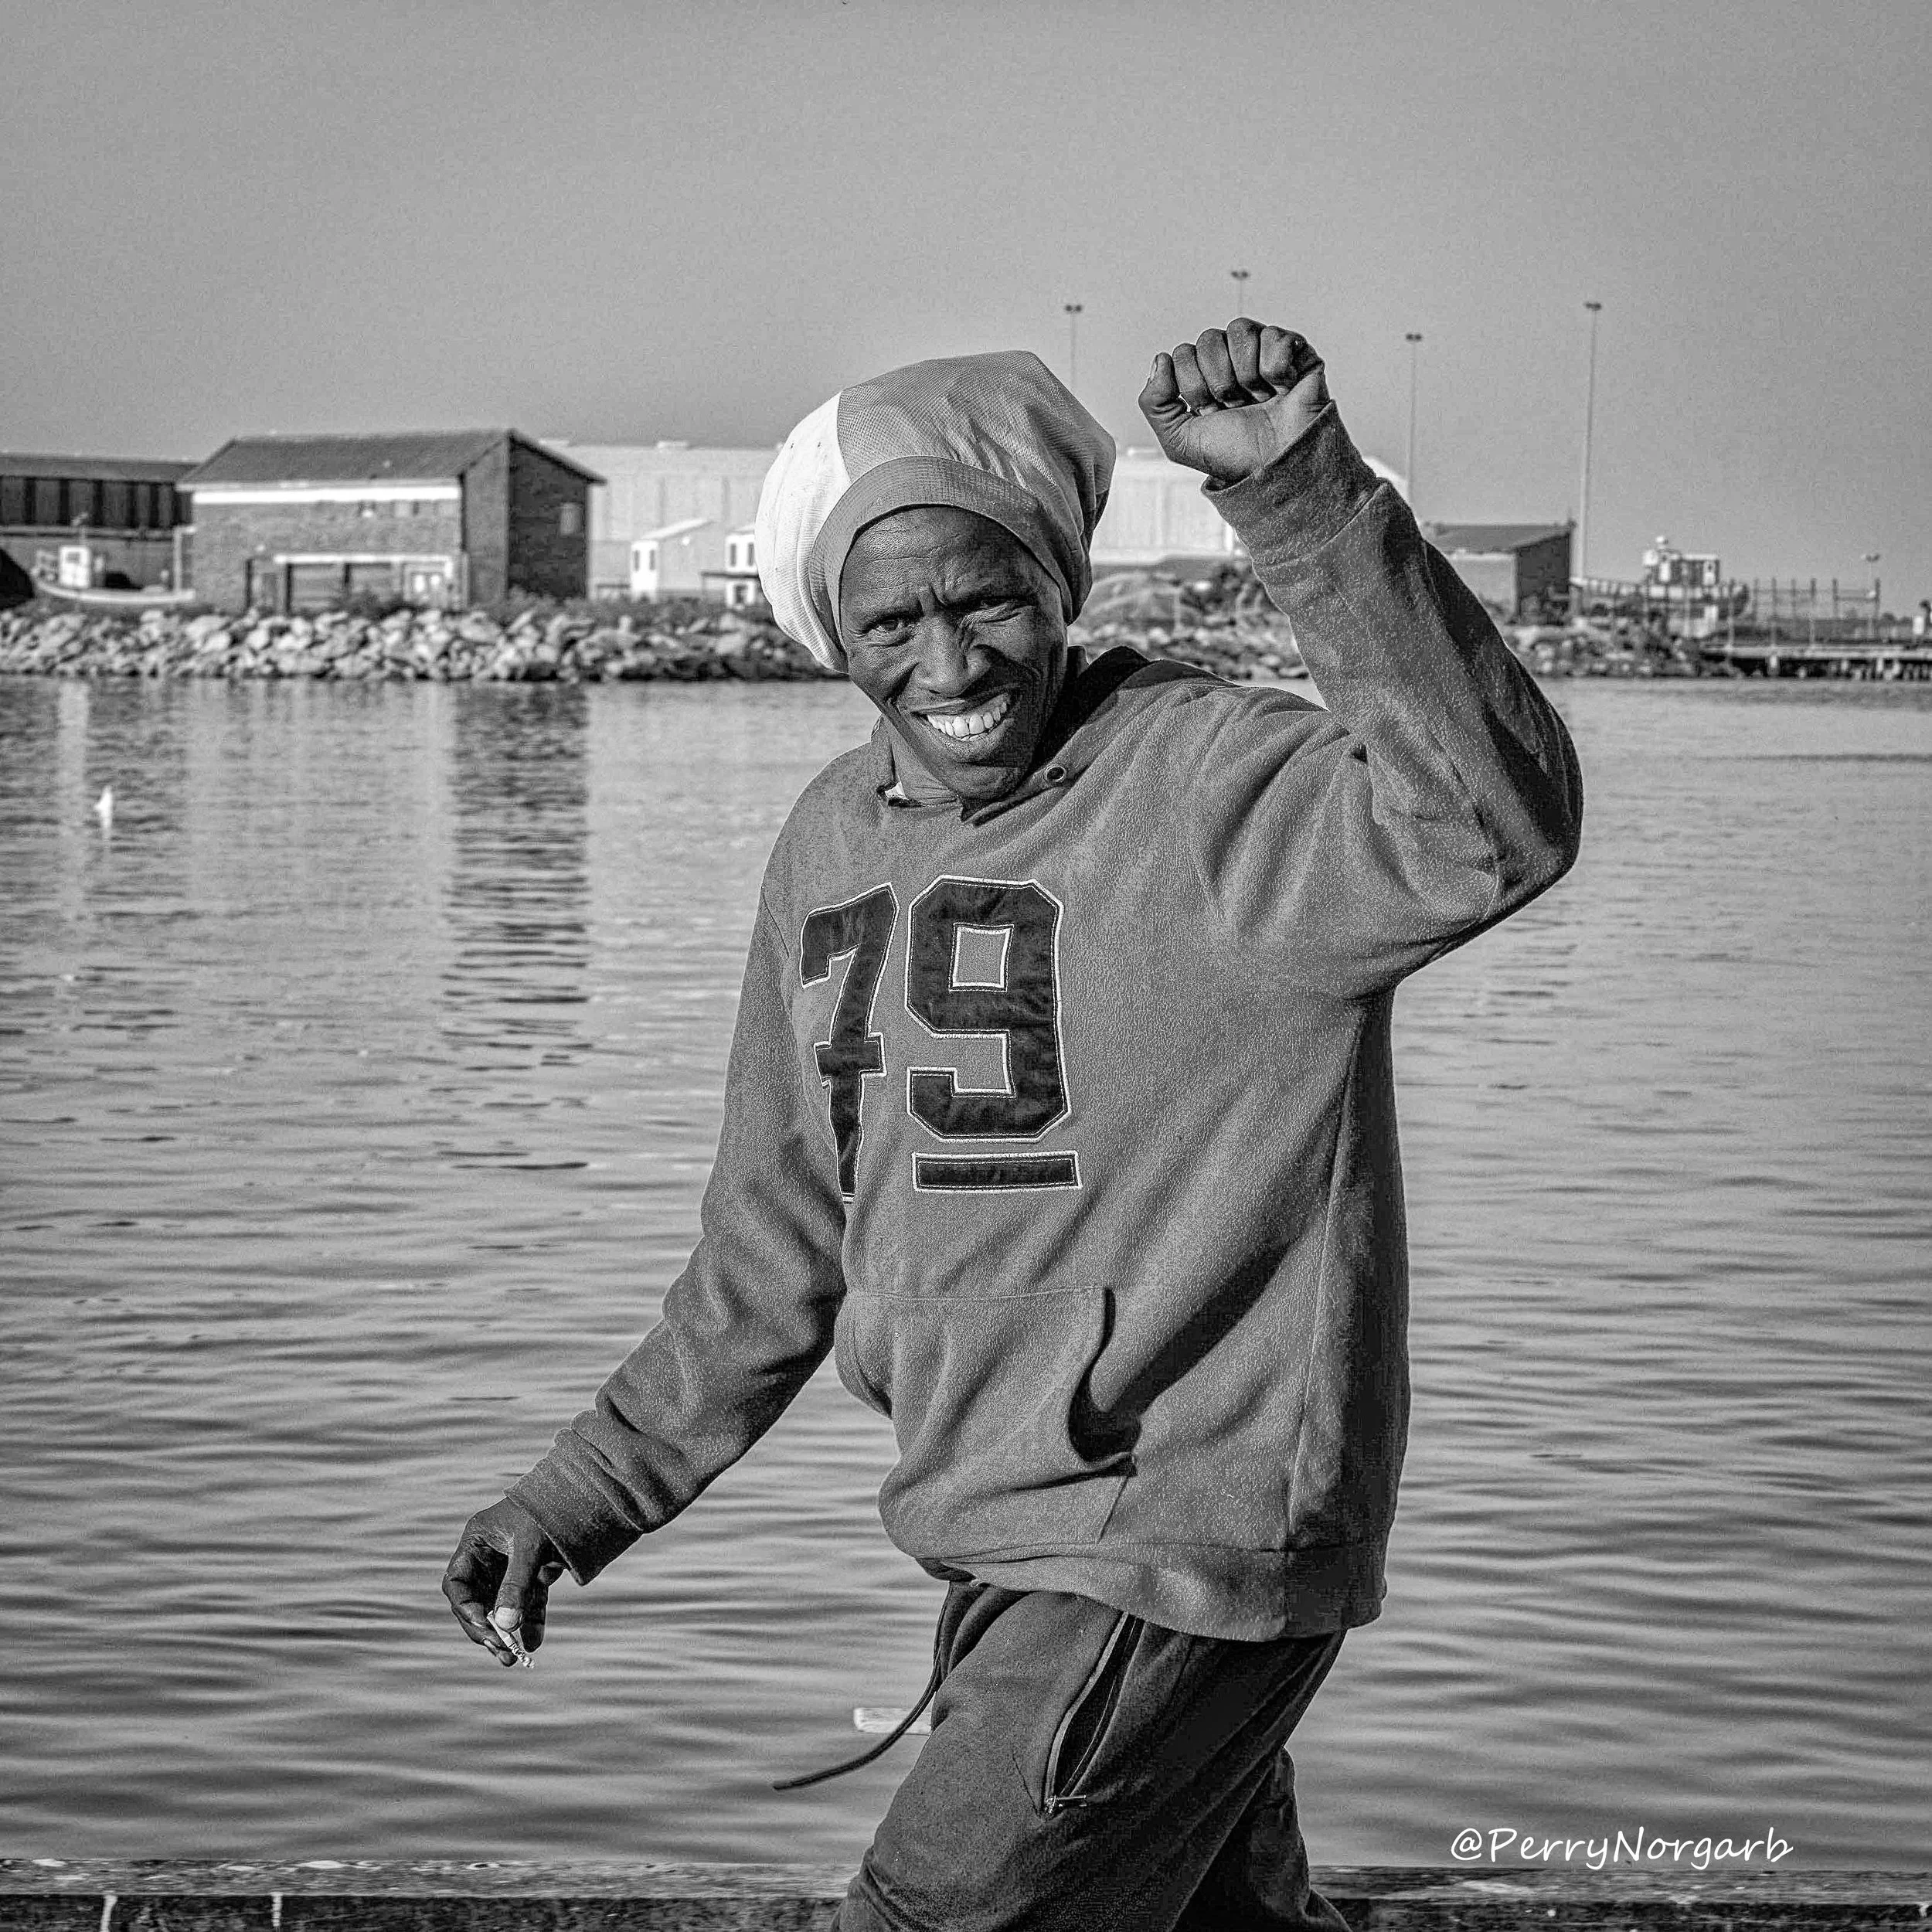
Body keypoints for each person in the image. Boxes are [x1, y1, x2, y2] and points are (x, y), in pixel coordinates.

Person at [443, 319, 1584, 1930]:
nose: (951, 663)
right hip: (998, 1541)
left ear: (1058, 585)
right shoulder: (830, 845)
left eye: (986, 600)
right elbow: (772, 1247)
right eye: (890, 620)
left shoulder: (1210, 784)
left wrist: (1304, 500)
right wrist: (577, 1496)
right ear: (831, 632)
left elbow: (1492, 827)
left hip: (1181, 1539)